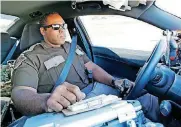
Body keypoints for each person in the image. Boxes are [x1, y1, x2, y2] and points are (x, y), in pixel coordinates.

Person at [11, 12, 159, 122]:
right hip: (71, 107)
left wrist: (114, 81)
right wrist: (47, 101)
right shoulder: (30, 57)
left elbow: (92, 68)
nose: (62, 31)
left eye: (63, 26)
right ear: (43, 31)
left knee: (146, 96)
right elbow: (20, 93)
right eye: (56, 27)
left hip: (97, 91)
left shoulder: (72, 47)